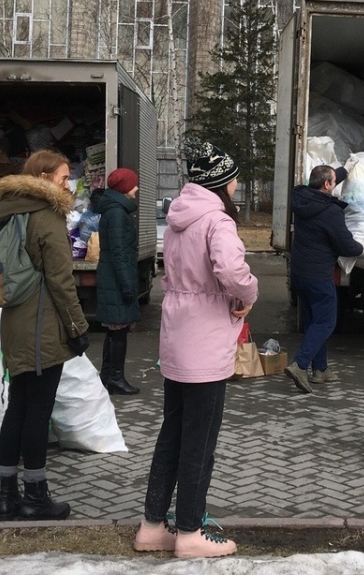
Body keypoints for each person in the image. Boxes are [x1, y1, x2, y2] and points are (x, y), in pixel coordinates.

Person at [134, 138, 258, 559]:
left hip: (176, 336)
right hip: (205, 343)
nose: (238, 185)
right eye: (235, 178)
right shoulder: (218, 221)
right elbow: (230, 270)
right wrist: (250, 292)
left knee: (172, 432)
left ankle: (153, 526)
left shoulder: (178, 218)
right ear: (222, 182)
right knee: (199, 441)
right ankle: (189, 531)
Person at [0, 149, 91, 521]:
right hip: (42, 326)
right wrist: (78, 328)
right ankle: (35, 496)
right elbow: (62, 283)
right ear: (45, 178)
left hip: (15, 323)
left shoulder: (8, 211)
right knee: (37, 411)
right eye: (64, 177)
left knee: (18, 406)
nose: (69, 184)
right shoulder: (46, 218)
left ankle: (7, 497)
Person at [284, 165, 363, 394]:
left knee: (313, 321)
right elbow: (345, 245)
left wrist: (345, 169)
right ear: (327, 185)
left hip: (300, 273)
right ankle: (300, 364)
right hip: (319, 275)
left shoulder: (302, 200)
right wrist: (362, 248)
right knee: (326, 321)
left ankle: (320, 370)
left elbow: (330, 177)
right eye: (333, 181)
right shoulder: (330, 211)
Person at [95, 167, 142, 396]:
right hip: (115, 279)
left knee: (114, 331)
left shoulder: (115, 210)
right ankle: (115, 378)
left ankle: (107, 376)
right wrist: (127, 286)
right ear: (124, 188)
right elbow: (119, 253)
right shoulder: (117, 214)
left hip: (112, 278)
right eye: (134, 184)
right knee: (119, 331)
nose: (137, 188)